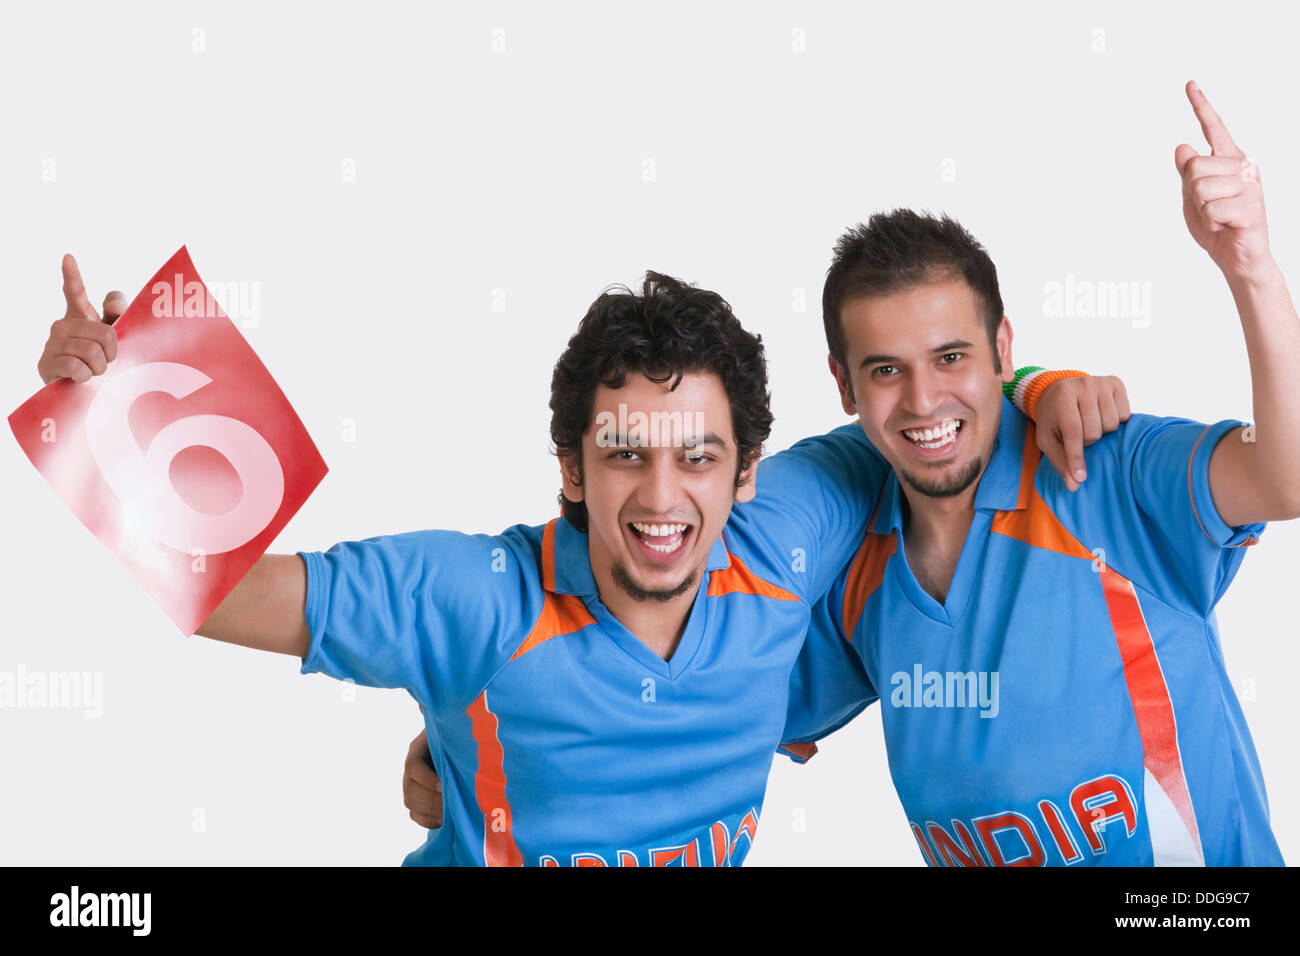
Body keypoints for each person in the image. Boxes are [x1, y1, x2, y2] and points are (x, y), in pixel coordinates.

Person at [38, 258, 1122, 866]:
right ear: (571, 465)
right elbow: (228, 588)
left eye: (699, 456)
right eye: (623, 455)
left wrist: (1039, 380)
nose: (661, 496)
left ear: (747, 469)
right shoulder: (474, 597)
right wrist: (119, 399)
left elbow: (923, 414)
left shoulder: (788, 533)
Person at [779, 82, 1291, 866]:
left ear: (1003, 350)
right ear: (843, 384)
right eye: (885, 370)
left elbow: (1284, 478)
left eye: (951, 357)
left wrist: (1251, 264)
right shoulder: (855, 569)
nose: (923, 400)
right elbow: (719, 704)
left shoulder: (1099, 464)